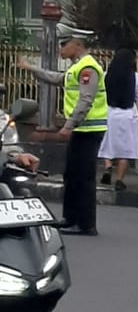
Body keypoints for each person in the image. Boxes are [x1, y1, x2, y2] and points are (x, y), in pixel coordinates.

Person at [26, 22, 108, 236]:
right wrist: (32, 69)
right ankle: (70, 218)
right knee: (71, 175)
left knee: (83, 177)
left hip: (88, 130)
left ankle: (85, 224)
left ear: (77, 44)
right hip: (81, 130)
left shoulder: (88, 67)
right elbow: (57, 78)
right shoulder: (76, 67)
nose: (60, 49)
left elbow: (86, 100)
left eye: (64, 44)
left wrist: (69, 125)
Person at [98, 47, 138, 190]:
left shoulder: (106, 76)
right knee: (125, 148)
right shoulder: (136, 77)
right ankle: (119, 180)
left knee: (107, 143)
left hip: (109, 113)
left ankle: (108, 167)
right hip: (128, 114)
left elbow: (99, 94)